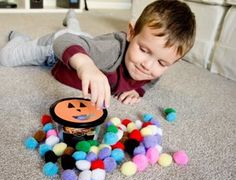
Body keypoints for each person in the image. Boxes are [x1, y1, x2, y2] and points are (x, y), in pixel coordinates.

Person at [0, 0, 196, 108]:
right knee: (7, 57)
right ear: (131, 32)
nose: (148, 65)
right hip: (57, 49)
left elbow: (152, 79)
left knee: (82, 37)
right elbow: (64, 42)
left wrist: (139, 90)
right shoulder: (111, 51)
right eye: (144, 50)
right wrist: (86, 66)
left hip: (87, 43)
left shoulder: (152, 71)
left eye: (162, 63)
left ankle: (72, 17)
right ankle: (19, 38)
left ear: (172, 63)